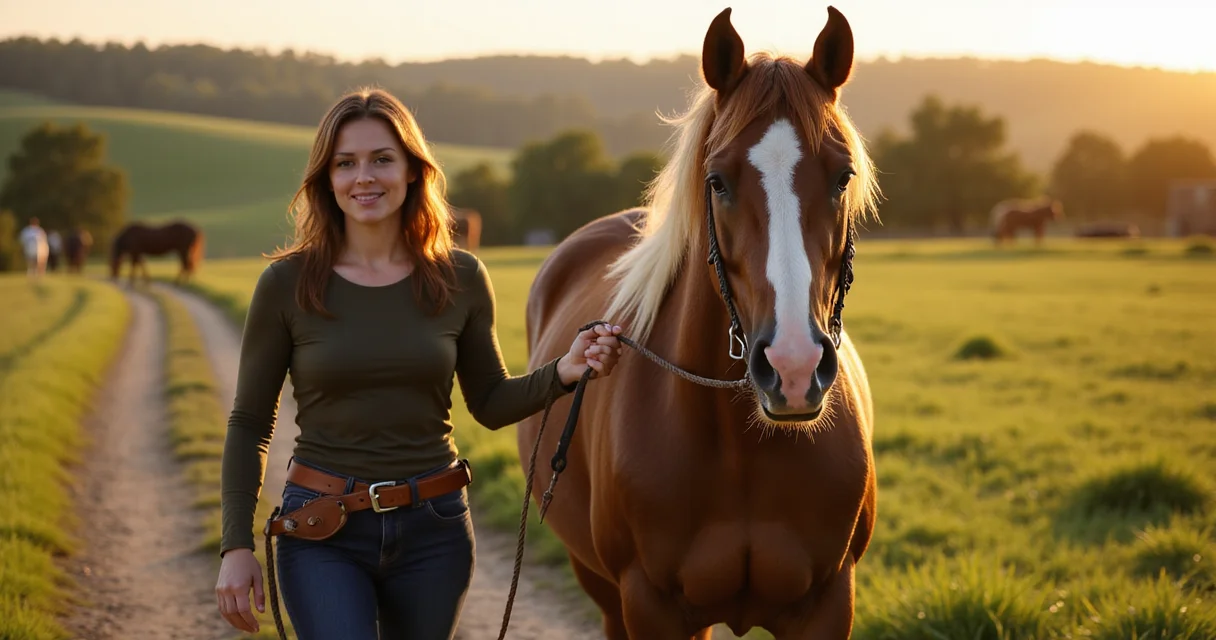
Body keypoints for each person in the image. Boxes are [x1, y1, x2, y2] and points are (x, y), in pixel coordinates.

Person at [213, 87, 623, 639]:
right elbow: (249, 424)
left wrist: (565, 372)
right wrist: (237, 544)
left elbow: (492, 402)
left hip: (435, 529)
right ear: (326, 179)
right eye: (346, 163)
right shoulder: (286, 285)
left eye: (382, 159)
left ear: (411, 170)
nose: (365, 177)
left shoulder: (461, 277)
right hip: (322, 528)